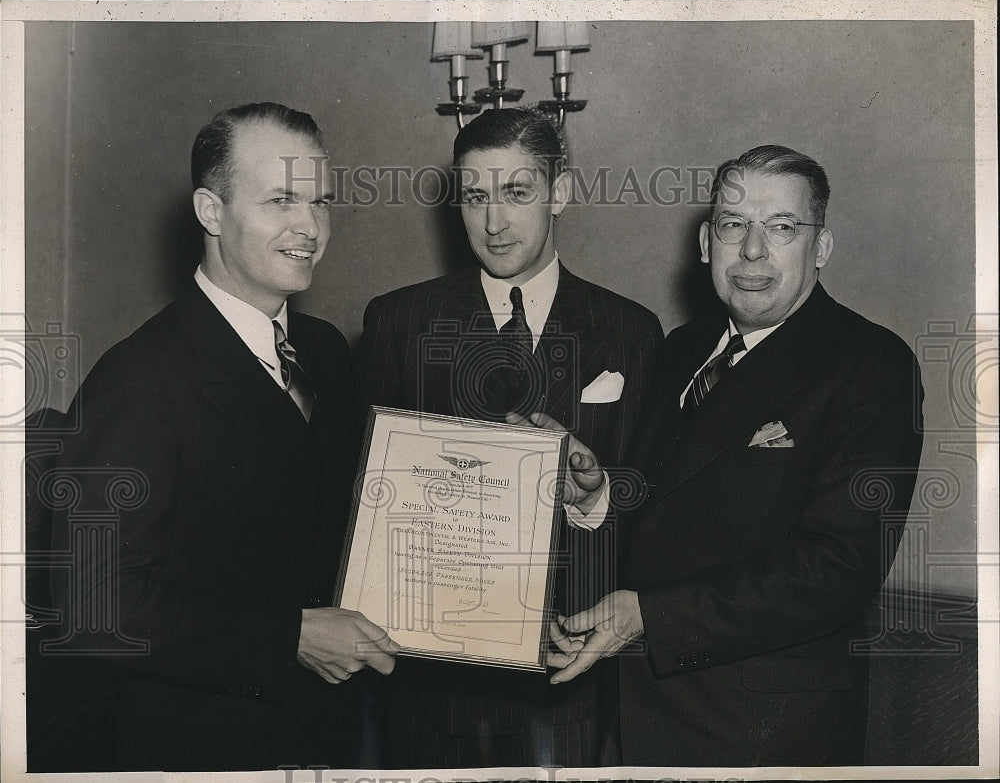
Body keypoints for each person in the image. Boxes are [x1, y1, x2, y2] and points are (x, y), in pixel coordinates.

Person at [531, 145, 925, 766]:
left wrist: (649, 618)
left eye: (782, 229)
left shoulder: (870, 364)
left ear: (821, 249)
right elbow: (676, 508)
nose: (752, 252)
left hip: (761, 733)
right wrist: (599, 494)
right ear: (706, 241)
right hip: (642, 716)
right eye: (734, 224)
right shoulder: (685, 348)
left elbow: (838, 568)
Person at [46, 102, 398, 772]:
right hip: (198, 746)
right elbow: (94, 605)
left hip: (330, 734)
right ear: (210, 212)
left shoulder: (323, 350)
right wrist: (288, 636)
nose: (311, 228)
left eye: (321, 201)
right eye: (281, 201)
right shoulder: (140, 376)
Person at [354, 107, 663, 768]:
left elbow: (647, 505)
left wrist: (595, 494)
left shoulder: (631, 331)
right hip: (427, 695)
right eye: (475, 196)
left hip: (567, 689)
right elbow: (360, 507)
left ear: (561, 192)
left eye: (517, 193)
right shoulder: (397, 321)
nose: (493, 222)